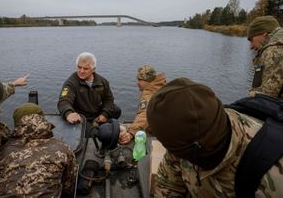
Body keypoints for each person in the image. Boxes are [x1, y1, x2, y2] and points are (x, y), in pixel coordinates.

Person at [146, 77, 283, 198]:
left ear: (195, 150)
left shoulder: (275, 177)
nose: (171, 153)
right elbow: (168, 183)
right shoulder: (184, 135)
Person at [0, 103, 78, 198]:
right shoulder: (62, 148)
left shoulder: (4, 151)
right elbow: (70, 186)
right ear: (43, 120)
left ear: (17, 124)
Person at [57, 52, 121, 124]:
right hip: (81, 117)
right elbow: (64, 101)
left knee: (116, 110)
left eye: (85, 69)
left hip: (96, 113)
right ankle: (94, 129)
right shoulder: (71, 83)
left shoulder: (102, 82)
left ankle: (99, 123)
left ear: (93, 69)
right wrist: (68, 113)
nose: (81, 71)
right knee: (101, 133)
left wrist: (104, 114)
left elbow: (109, 99)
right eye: (79, 67)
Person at [118, 65, 166, 145]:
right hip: (168, 126)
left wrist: (131, 133)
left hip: (159, 133)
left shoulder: (148, 94)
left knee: (121, 130)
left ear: (147, 81)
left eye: (140, 80)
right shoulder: (161, 87)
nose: (137, 82)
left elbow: (145, 114)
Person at [247, 15, 283, 98]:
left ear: (264, 33)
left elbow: (265, 98)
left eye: (251, 39)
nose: (251, 46)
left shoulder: (273, 50)